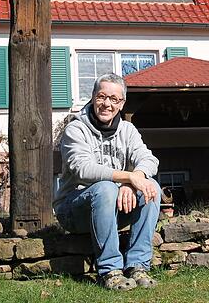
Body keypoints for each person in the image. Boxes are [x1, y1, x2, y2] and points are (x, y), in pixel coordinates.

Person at [54, 73, 161, 291]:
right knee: (105, 188)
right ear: (93, 97)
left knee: (152, 187)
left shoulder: (127, 130)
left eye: (114, 99)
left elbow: (149, 159)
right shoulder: (76, 129)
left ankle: (137, 266)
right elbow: (82, 168)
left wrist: (134, 181)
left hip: (112, 209)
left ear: (121, 104)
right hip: (73, 211)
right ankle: (110, 271)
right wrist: (127, 177)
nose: (107, 104)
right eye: (102, 96)